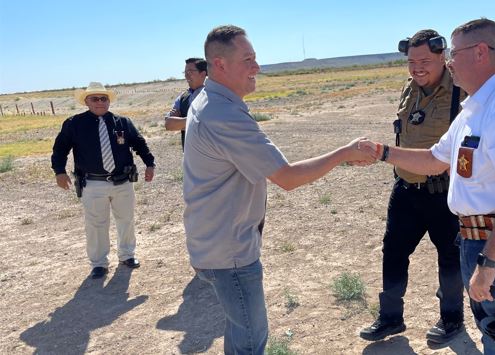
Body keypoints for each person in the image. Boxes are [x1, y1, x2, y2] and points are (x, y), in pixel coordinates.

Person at [359, 18, 495, 354]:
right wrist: (381, 153)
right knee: (491, 335)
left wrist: (489, 262)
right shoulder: (474, 109)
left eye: (454, 53)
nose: (449, 62)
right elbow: (436, 159)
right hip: (479, 239)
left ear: (481, 52)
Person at [183, 25, 374, 354]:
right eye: (248, 59)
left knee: (240, 330)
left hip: (214, 243)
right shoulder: (223, 113)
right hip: (229, 253)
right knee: (250, 340)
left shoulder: (210, 99)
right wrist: (345, 152)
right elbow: (287, 177)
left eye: (255, 57)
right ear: (220, 64)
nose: (257, 67)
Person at [359, 29, 467, 344]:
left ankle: (452, 320)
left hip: (443, 192)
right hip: (406, 188)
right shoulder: (410, 88)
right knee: (392, 252)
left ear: (443, 56)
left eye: (424, 61)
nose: (417, 67)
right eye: (411, 61)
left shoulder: (461, 91)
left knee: (449, 258)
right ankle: (390, 318)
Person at [51, 82, 156, 279]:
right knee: (96, 224)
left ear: (108, 101)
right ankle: (99, 263)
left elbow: (139, 143)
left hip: (123, 182)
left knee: (126, 220)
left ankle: (127, 255)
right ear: (86, 102)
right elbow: (60, 149)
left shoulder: (122, 122)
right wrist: (59, 172)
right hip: (93, 184)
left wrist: (150, 163)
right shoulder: (74, 124)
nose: (100, 102)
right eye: (95, 98)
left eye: (103, 98)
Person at [165, 57, 207, 151]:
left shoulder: (211, 95)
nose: (187, 76)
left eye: (191, 72)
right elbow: (168, 124)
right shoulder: (182, 97)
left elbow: (208, 123)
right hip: (189, 155)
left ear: (203, 74)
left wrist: (180, 121)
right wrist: (195, 121)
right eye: (185, 72)